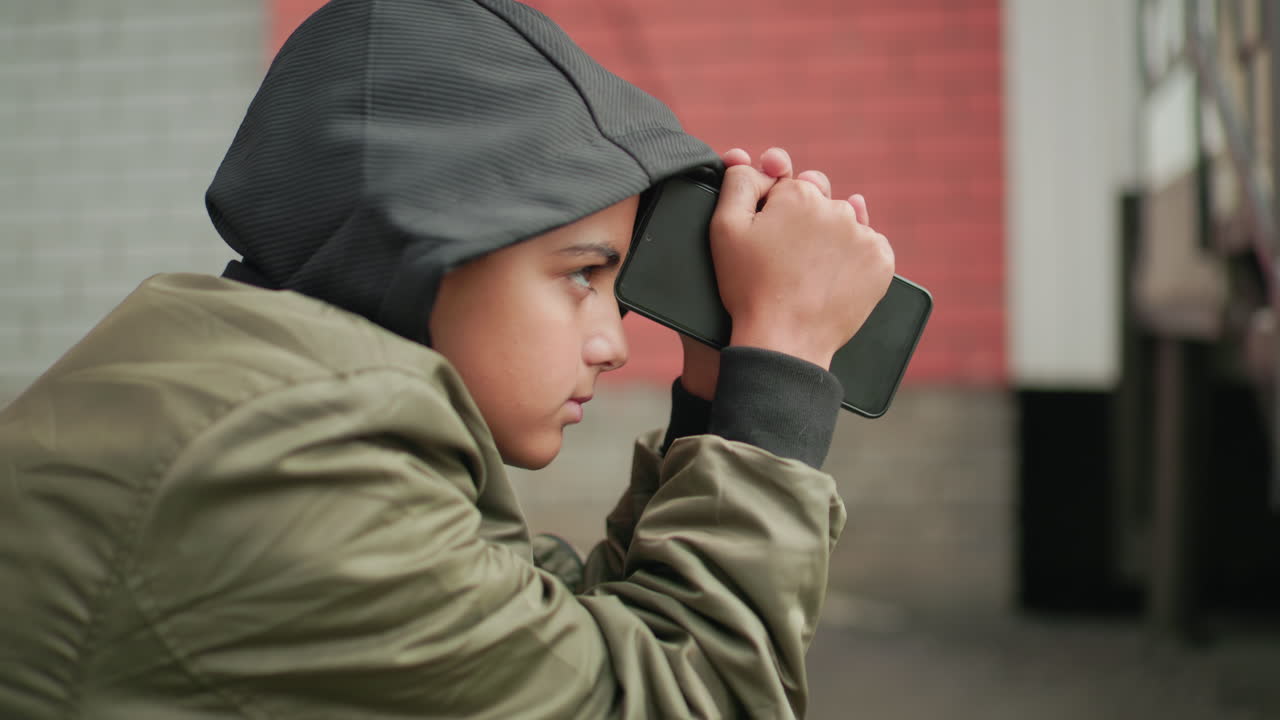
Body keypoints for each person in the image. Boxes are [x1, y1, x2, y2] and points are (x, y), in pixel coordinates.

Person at [0, 0, 893, 718]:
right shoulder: (288, 465)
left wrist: (716, 393)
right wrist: (780, 374)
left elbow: (570, 644)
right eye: (583, 275)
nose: (614, 344)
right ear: (422, 249)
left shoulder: (275, 406)